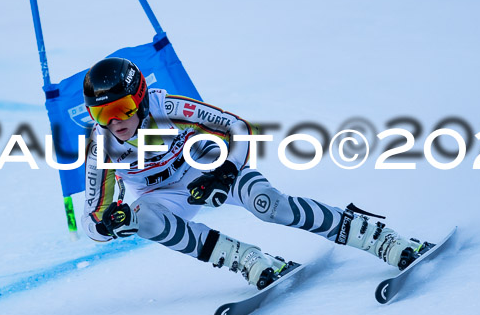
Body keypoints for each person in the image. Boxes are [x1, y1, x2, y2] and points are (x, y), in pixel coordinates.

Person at [81, 57, 432, 289]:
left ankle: (375, 236)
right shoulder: (101, 147)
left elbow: (238, 126)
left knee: (267, 203)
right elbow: (93, 219)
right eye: (101, 114)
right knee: (144, 220)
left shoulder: (166, 107)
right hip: (161, 196)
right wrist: (112, 223)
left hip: (204, 165)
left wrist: (226, 171)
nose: (114, 122)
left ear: (140, 100)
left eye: (121, 108)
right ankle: (246, 259)